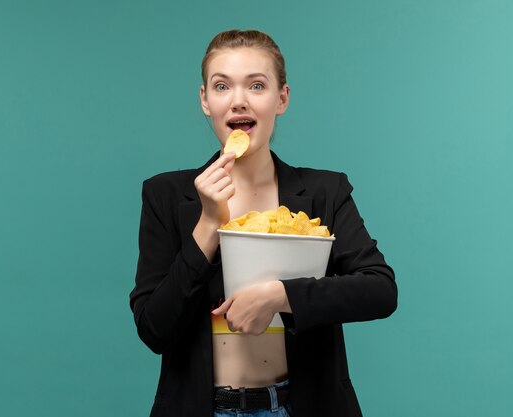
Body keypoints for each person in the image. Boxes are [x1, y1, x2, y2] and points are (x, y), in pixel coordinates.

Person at [129, 29, 397, 417]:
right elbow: (154, 329)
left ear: (281, 98)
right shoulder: (166, 195)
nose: (238, 100)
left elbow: (381, 290)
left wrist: (280, 295)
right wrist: (207, 224)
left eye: (256, 85)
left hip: (299, 406)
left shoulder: (325, 192)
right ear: (205, 100)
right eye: (222, 86)